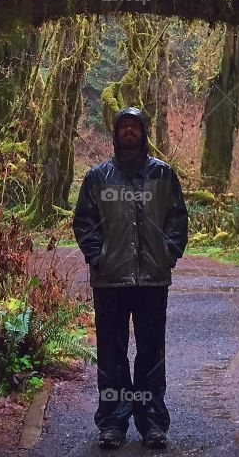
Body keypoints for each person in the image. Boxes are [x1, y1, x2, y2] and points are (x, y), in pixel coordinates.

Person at [72, 106, 189, 451]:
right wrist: (98, 256)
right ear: (115, 133)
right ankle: (113, 422)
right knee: (112, 354)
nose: (128, 131)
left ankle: (152, 422)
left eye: (134, 126)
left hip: (153, 279)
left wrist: (168, 252)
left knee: (151, 352)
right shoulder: (98, 176)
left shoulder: (163, 174)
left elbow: (177, 217)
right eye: (123, 126)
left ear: (143, 132)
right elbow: (84, 220)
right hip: (110, 279)